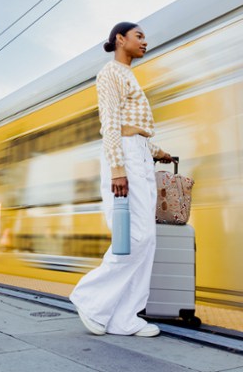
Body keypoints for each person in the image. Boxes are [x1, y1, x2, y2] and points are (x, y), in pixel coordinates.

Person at [70, 22, 175, 337]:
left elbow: (134, 128)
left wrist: (156, 151)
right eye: (139, 36)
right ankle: (90, 299)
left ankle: (125, 317)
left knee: (148, 240)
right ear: (120, 39)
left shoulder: (130, 75)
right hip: (125, 159)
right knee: (132, 239)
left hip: (139, 154)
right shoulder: (110, 73)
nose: (145, 41)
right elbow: (111, 124)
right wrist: (117, 168)